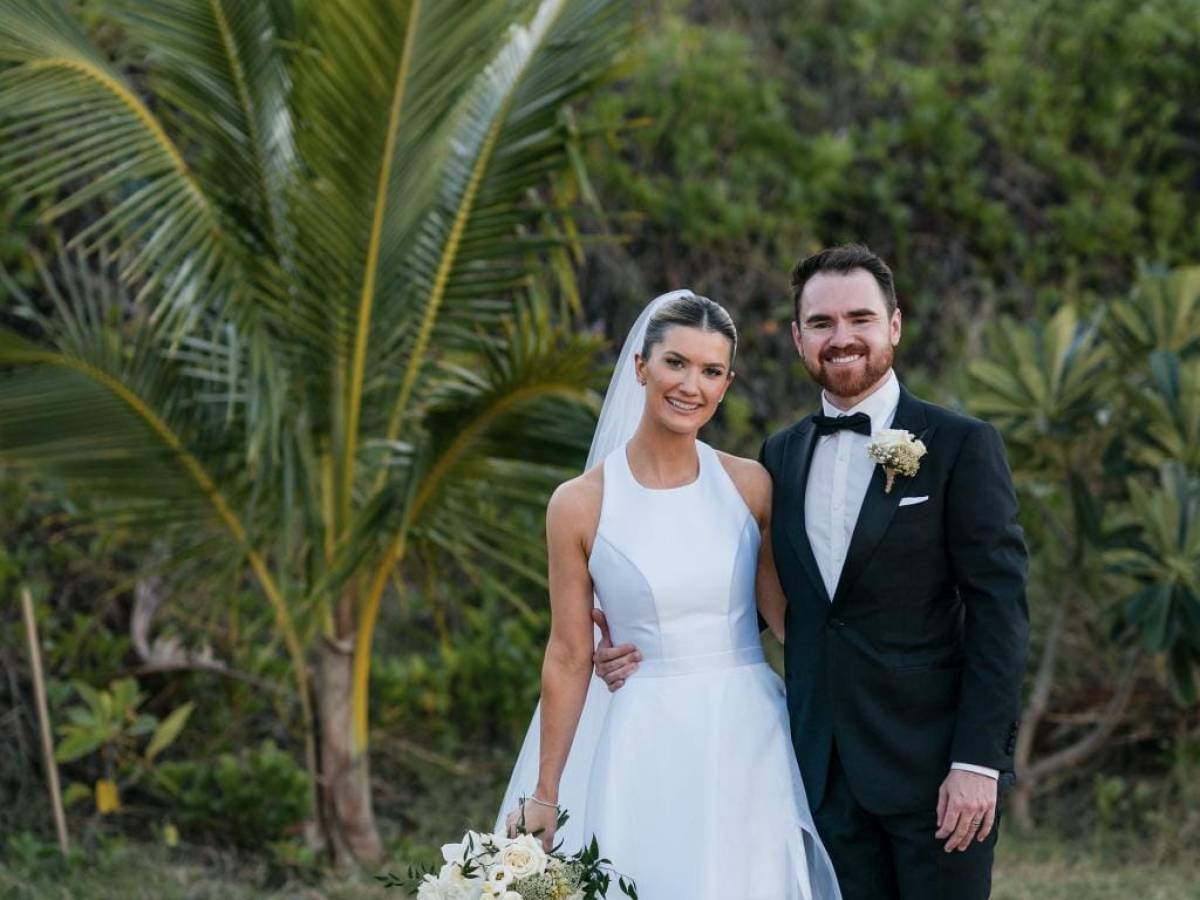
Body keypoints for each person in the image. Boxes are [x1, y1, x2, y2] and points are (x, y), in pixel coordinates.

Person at [595, 245, 1029, 899]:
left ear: (895, 325)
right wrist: (633, 639)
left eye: (860, 318)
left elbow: (1000, 609)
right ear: (798, 338)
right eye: (821, 323)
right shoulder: (781, 456)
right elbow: (753, 596)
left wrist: (977, 762)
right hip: (817, 776)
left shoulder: (960, 446)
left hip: (934, 775)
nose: (842, 337)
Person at [495, 292, 841, 899]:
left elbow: (790, 622)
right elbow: (570, 654)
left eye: (711, 371)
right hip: (643, 736)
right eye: (675, 364)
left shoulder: (749, 484)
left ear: (727, 384)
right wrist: (544, 794)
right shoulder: (578, 504)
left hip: (748, 735)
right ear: (640, 368)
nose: (691, 386)